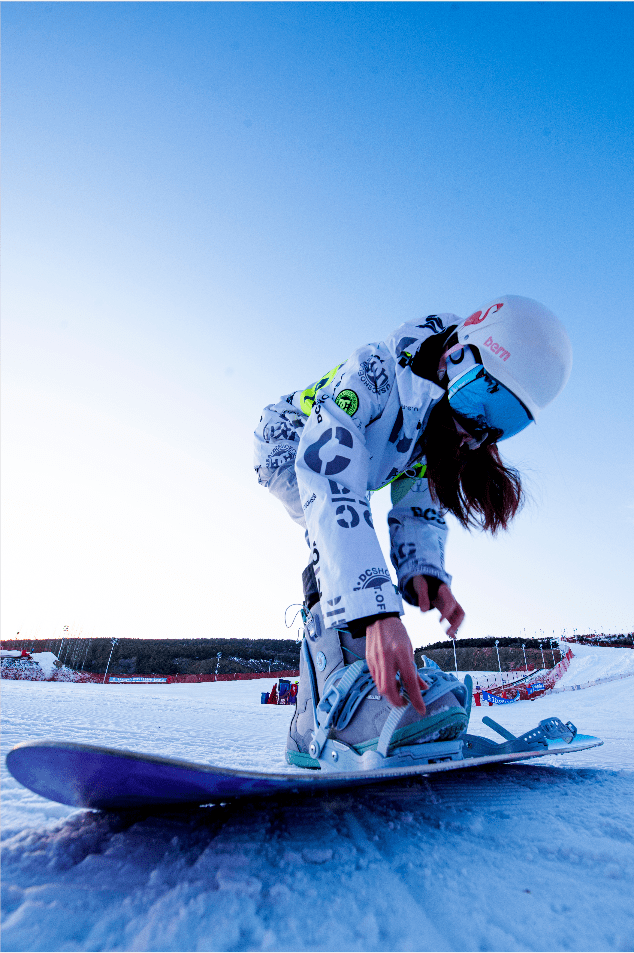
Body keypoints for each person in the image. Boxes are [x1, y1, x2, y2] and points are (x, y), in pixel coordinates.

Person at [254, 295, 572, 769]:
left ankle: (367, 679)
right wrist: (374, 616)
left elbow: (419, 500)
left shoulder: (436, 420)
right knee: (341, 536)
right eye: (482, 399)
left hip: (359, 464)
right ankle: (326, 709)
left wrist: (424, 569)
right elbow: (331, 479)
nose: (479, 427)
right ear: (455, 357)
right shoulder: (373, 375)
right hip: (292, 443)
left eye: (505, 422)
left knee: (359, 554)